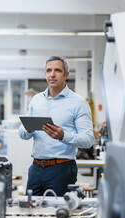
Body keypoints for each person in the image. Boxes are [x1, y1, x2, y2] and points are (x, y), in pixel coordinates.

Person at [19, 56, 94, 196]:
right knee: (31, 212)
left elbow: (88, 140)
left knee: (59, 214)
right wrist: (28, 129)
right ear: (45, 74)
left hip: (61, 169)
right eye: (49, 70)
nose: (52, 74)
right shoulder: (36, 100)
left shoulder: (78, 103)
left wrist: (63, 136)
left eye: (57, 70)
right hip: (36, 168)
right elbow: (22, 134)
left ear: (66, 75)